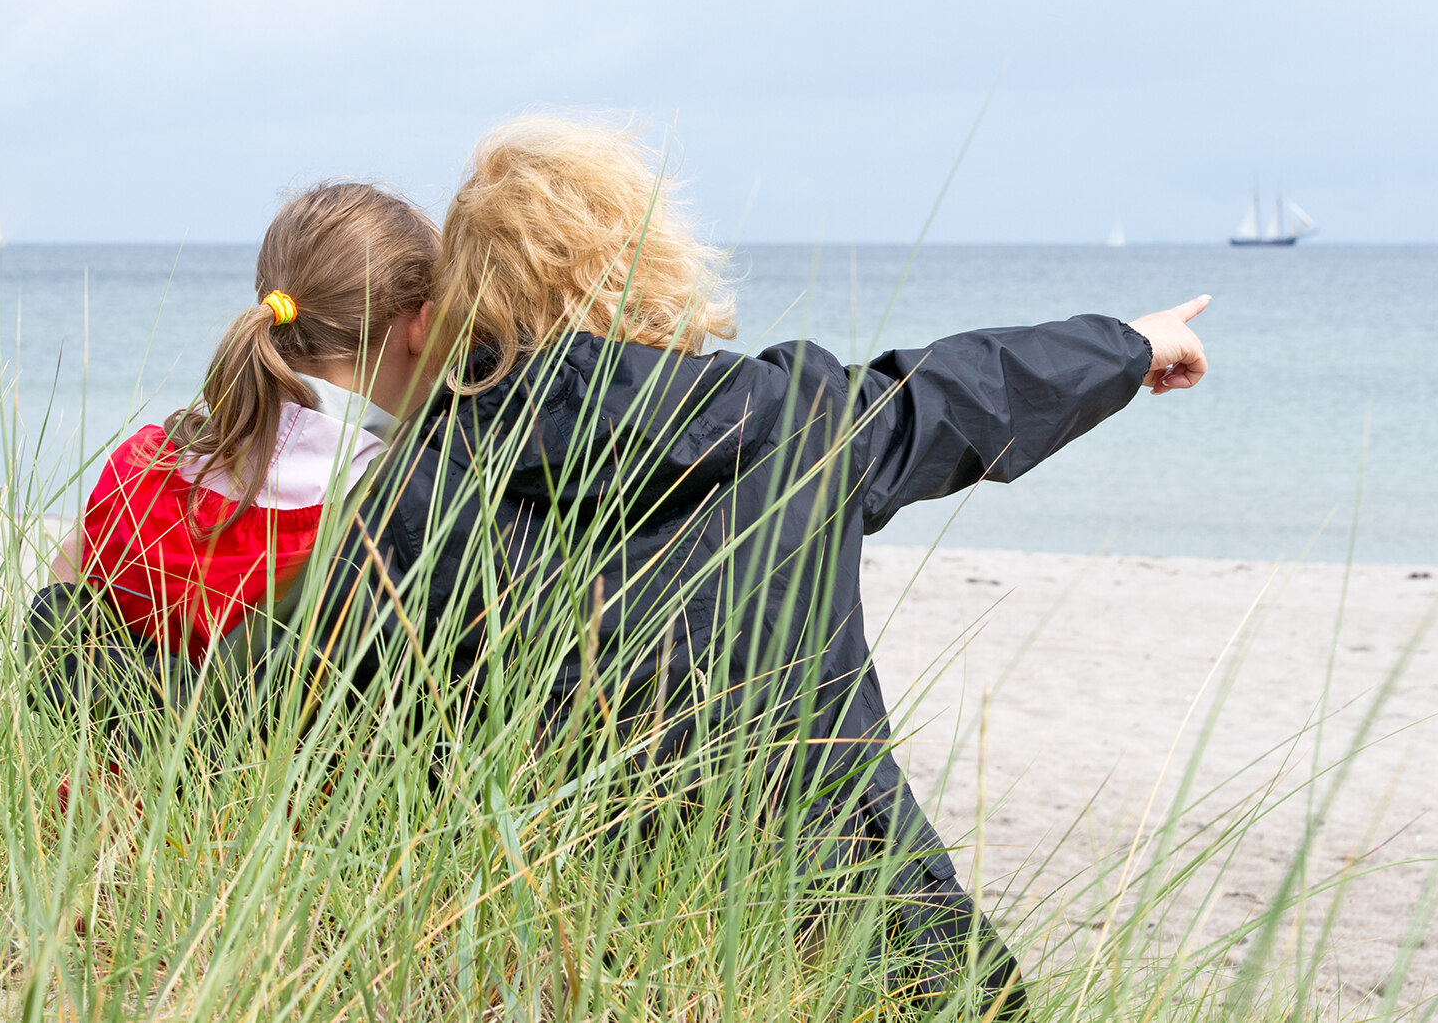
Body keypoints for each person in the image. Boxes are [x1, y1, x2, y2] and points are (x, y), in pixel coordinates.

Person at [313, 116, 1211, 1015]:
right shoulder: (791, 420)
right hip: (852, 920)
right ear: (650, 261)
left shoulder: (408, 494)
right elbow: (957, 395)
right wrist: (1126, 345)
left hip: (561, 951)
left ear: (469, 291)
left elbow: (318, 724)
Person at [27, 181, 445, 743]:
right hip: (295, 825)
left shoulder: (146, 462)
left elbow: (60, 607)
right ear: (422, 326)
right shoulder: (394, 503)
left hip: (94, 822)